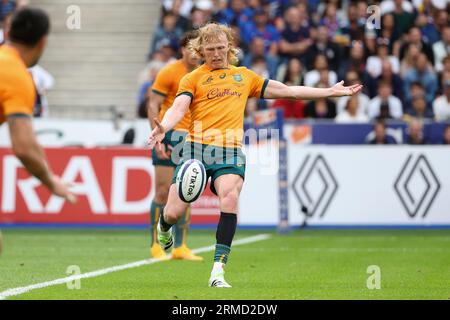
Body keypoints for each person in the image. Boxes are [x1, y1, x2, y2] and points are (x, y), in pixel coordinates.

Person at [147, 22, 362, 288]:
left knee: (230, 196)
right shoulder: (192, 78)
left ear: (229, 48)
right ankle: (164, 226)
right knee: (174, 211)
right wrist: (164, 127)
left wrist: (329, 92)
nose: (216, 53)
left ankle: (218, 271)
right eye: (211, 49)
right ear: (201, 50)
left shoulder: (244, 76)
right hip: (196, 150)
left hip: (230, 151)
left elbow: (289, 91)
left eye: (221, 48)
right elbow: (178, 108)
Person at [0, 7, 77, 255]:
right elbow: (23, 145)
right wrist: (50, 181)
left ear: (8, 31)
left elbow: (28, 141)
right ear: (43, 42)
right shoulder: (17, 75)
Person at [147, 31, 203, 261]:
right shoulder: (169, 72)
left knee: (186, 193)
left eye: (197, 48)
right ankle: (156, 245)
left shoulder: (206, 75)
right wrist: (157, 135)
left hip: (193, 139)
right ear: (181, 50)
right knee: (162, 191)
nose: (193, 53)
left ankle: (181, 246)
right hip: (168, 136)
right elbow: (153, 103)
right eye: (189, 48)